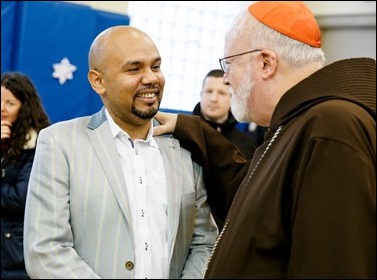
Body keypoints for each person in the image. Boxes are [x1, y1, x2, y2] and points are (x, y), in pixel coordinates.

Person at [154, 1, 376, 278]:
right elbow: (253, 198)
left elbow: (335, 264)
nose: (225, 79)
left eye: (229, 64)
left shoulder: (331, 127)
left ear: (266, 63)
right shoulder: (297, 121)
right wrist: (191, 127)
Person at [23, 26, 218, 279]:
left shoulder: (184, 146)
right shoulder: (60, 143)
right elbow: (45, 250)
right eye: (134, 69)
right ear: (98, 81)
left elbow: (204, 242)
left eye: (156, 66)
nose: (151, 78)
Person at [1, 72, 50, 279]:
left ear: (24, 108)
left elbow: (19, 199)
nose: (1, 109)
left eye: (10, 103)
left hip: (14, 253)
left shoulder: (38, 144)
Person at [193, 69, 256, 160]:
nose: (213, 99)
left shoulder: (245, 144)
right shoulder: (184, 132)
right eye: (209, 91)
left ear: (232, 98)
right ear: (201, 95)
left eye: (221, 93)